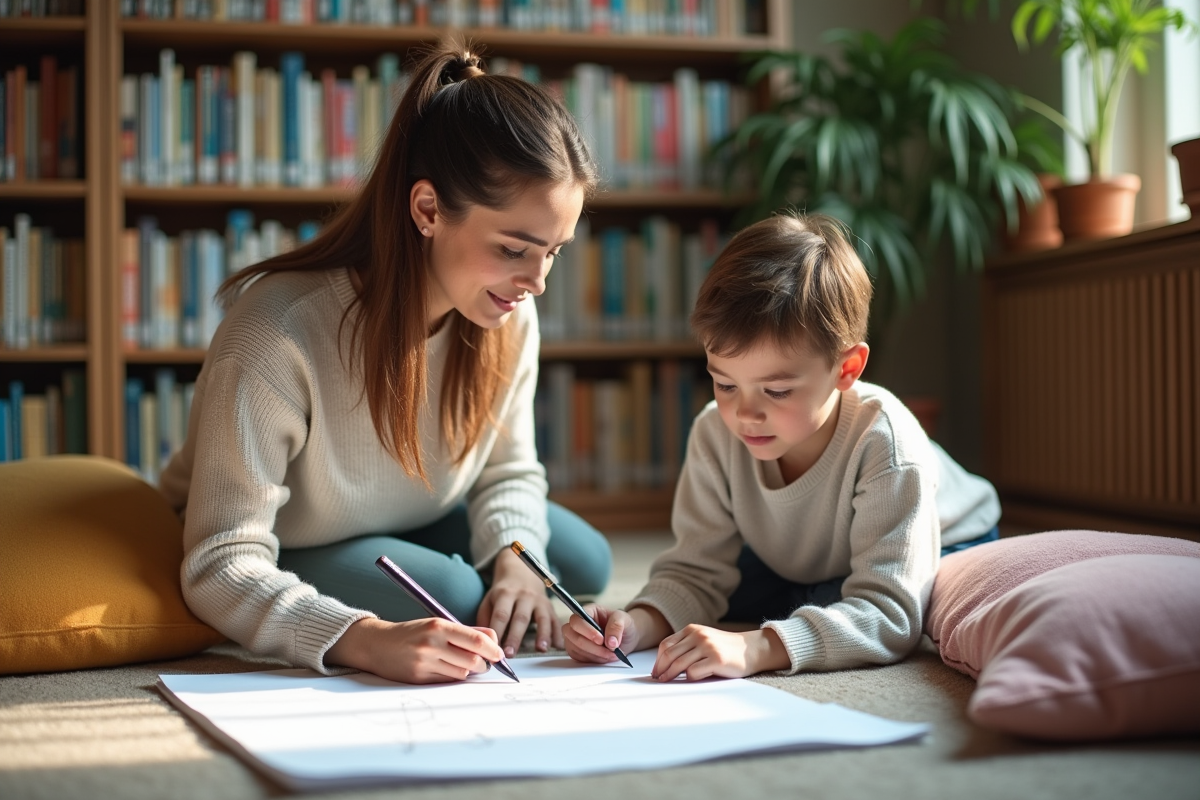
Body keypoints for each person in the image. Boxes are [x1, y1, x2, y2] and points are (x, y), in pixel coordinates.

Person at [159, 40, 611, 685]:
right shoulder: (277, 332)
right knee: (454, 596)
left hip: (413, 508)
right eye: (514, 248)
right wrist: (362, 639)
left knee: (574, 564)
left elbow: (507, 470)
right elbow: (220, 559)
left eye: (554, 252)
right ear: (428, 209)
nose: (536, 282)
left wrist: (518, 562)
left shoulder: (509, 313)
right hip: (294, 532)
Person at [564, 211, 1001, 681]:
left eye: (775, 391)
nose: (745, 414)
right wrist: (635, 625)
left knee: (840, 607)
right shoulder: (715, 433)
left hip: (951, 535)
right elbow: (695, 571)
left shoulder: (886, 443)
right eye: (725, 385)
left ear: (846, 369)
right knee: (738, 596)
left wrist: (754, 649)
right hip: (800, 552)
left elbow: (889, 615)